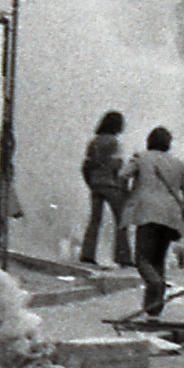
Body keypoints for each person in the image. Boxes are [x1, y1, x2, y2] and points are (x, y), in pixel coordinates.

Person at [122, 125, 184, 319]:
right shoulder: (178, 164)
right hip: (171, 216)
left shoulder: (140, 158)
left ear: (149, 141)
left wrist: (129, 196)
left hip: (146, 213)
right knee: (158, 259)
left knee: (142, 258)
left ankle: (155, 285)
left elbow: (123, 175)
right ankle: (154, 309)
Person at [79, 110, 134, 267]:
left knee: (95, 220)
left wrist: (90, 182)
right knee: (121, 220)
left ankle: (87, 254)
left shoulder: (94, 142)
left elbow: (86, 165)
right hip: (112, 184)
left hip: (95, 184)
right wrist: (123, 187)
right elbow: (117, 165)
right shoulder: (115, 143)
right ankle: (123, 256)